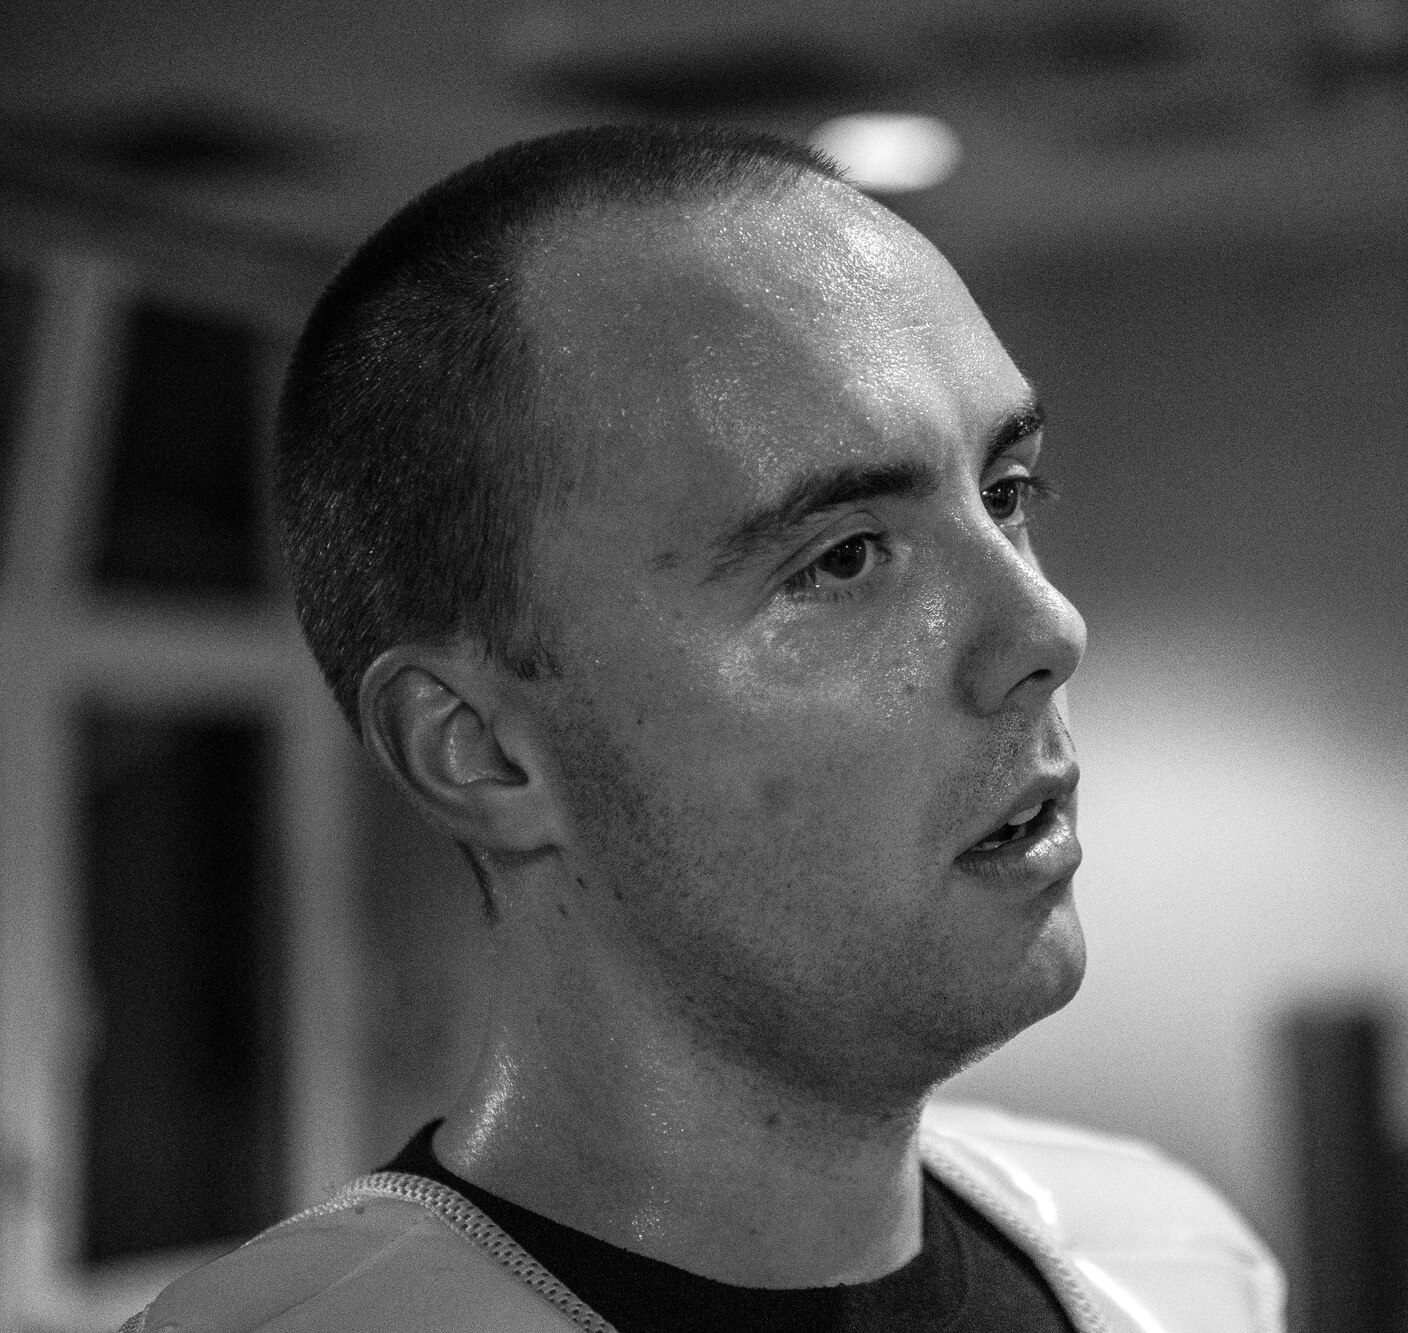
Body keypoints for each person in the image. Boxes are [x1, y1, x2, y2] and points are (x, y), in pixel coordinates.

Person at [120, 123, 1282, 1333]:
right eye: (842, 559)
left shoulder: (1175, 1263)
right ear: (480, 749)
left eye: (1005, 493)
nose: (1047, 626)